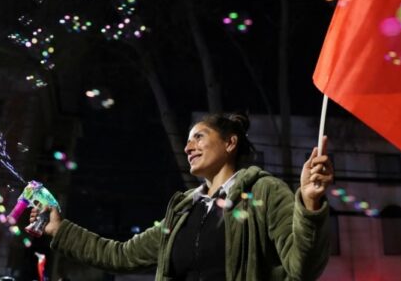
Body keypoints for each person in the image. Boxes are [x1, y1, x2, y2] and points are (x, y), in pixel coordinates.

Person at [32, 112, 334, 280]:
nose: (188, 147)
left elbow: (302, 268)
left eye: (199, 137)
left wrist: (309, 205)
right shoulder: (181, 211)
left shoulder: (265, 191)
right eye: (188, 141)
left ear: (230, 143)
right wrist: (59, 229)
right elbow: (120, 255)